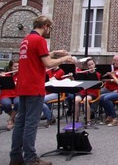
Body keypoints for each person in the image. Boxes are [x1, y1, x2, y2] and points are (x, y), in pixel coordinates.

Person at [9, 15, 76, 165]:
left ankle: (15, 157)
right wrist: (65, 59)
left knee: (20, 122)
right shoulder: (39, 40)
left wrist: (55, 52)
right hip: (34, 86)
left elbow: (38, 56)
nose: (49, 30)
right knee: (31, 123)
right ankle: (31, 158)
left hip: (23, 85)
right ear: (45, 25)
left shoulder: (26, 39)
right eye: (49, 28)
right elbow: (48, 63)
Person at [73, 58, 101, 128]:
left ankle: (88, 120)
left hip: (93, 92)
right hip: (83, 91)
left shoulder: (97, 74)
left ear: (94, 64)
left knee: (85, 100)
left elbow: (98, 85)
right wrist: (75, 75)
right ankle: (76, 120)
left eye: (92, 64)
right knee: (76, 100)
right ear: (87, 66)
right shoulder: (84, 73)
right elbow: (79, 81)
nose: (91, 66)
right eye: (89, 65)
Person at [0, 59, 19, 130]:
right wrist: (1, 77)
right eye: (15, 66)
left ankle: (10, 120)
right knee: (5, 103)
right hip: (6, 94)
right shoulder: (6, 75)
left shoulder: (22, 75)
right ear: (11, 67)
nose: (17, 68)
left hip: (17, 94)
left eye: (18, 66)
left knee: (19, 102)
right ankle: (13, 118)